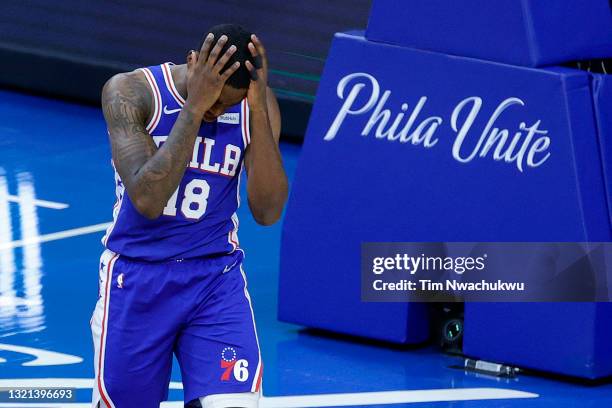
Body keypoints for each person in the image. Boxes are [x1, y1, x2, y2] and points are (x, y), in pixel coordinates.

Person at [91, 23, 287, 408]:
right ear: (193, 62)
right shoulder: (130, 92)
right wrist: (195, 107)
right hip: (138, 278)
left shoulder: (251, 107)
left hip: (214, 279)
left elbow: (267, 212)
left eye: (226, 106)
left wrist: (258, 111)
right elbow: (148, 199)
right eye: (214, 102)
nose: (218, 113)